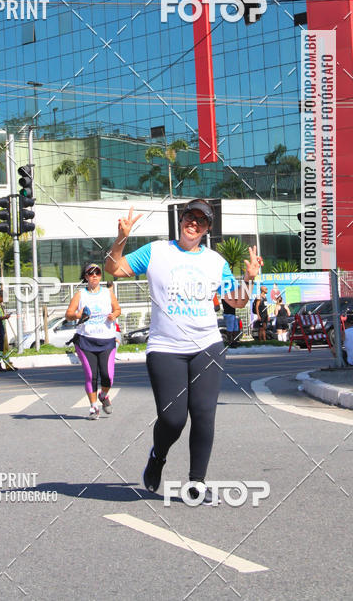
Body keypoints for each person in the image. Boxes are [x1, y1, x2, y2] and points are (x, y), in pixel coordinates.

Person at [105, 200, 262, 502]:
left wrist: (248, 279)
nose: (194, 223)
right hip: (166, 347)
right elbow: (113, 268)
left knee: (203, 414)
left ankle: (197, 482)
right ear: (181, 220)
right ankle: (158, 456)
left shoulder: (216, 261)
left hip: (207, 346)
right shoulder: (156, 252)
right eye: (190, 216)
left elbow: (236, 301)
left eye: (201, 220)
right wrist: (122, 237)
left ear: (207, 229)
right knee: (173, 419)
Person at [65, 262, 121, 419]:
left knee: (108, 375)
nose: (94, 276)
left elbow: (117, 309)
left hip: (107, 340)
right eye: (91, 273)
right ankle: (93, 407)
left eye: (97, 273)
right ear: (86, 277)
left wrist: (114, 315)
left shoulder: (108, 293)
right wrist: (77, 315)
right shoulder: (80, 295)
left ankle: (103, 395)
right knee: (91, 375)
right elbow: (68, 314)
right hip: (85, 340)